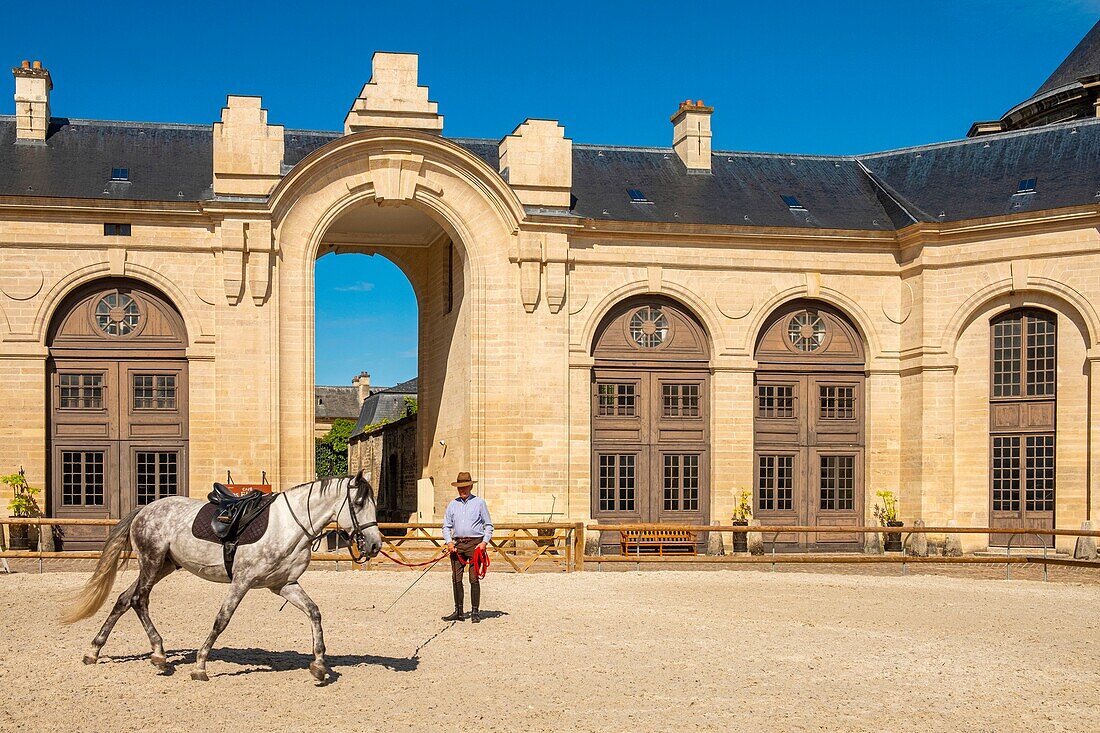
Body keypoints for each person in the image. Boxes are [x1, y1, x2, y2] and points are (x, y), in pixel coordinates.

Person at [441, 471, 493, 623]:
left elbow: (488, 525)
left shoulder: (479, 503)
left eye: (465, 487)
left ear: (470, 486)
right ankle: (459, 610)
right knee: (456, 578)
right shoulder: (452, 505)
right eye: (460, 487)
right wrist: (449, 542)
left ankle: (475, 611)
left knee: (473, 578)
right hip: (457, 544)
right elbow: (446, 526)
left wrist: (484, 542)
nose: (462, 490)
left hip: (475, 544)